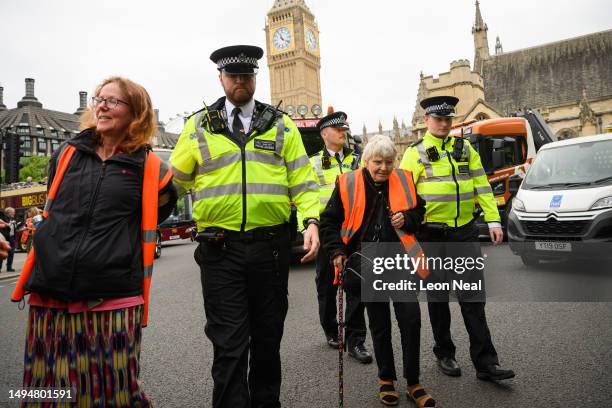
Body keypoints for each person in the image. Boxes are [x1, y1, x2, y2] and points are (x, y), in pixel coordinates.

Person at [169, 45, 320, 408]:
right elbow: (173, 184)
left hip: (270, 249)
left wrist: (311, 220)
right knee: (229, 344)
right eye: (233, 76)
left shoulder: (280, 124)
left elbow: (302, 179)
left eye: (247, 75)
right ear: (221, 79)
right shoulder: (198, 125)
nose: (241, 81)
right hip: (220, 251)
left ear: (255, 78)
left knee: (268, 341)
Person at [11, 76, 177, 406]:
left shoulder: (155, 171)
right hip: (51, 293)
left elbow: (151, 220)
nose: (101, 105)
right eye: (99, 99)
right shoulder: (66, 154)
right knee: (47, 390)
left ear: (137, 113)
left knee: (114, 390)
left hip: (113, 298)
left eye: (113, 101)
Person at [400, 95, 515, 381]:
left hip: (464, 232)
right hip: (431, 235)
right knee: (438, 299)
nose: (443, 123)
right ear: (426, 121)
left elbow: (481, 185)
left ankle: (486, 363)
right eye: (438, 119)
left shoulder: (464, 149)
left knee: (473, 298)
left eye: (447, 119)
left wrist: (492, 219)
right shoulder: (414, 153)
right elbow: (403, 197)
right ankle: (445, 353)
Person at [320, 135, 436, 407]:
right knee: (380, 323)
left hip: (401, 260)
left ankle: (413, 382)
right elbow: (329, 222)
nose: (384, 167)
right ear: (366, 161)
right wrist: (337, 251)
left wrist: (407, 218)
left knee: (411, 320)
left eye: (388, 162)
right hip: (368, 262)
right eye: (378, 162)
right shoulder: (348, 183)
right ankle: (386, 379)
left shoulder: (405, 179)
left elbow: (420, 211)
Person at [304, 111, 371, 363]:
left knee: (357, 285)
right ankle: (332, 331)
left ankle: (356, 340)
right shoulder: (312, 164)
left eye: (345, 129)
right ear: (324, 134)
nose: (343, 132)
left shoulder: (360, 161)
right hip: (326, 232)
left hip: (354, 232)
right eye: (337, 129)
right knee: (326, 285)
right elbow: (308, 199)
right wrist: (309, 226)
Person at [0, 207, 17, 272]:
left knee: (11, 253)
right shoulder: (4, 218)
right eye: (13, 212)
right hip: (5, 238)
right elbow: (3, 227)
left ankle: (9, 267)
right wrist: (9, 224)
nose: (14, 213)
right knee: (2, 252)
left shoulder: (12, 219)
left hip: (12, 238)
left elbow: (14, 228)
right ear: (9, 213)